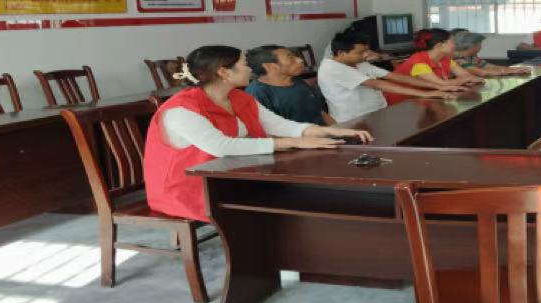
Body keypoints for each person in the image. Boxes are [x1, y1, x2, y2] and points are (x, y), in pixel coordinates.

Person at [144, 45, 373, 222]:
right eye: (244, 64)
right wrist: (293, 142)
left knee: (301, 191)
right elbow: (221, 147)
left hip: (230, 175)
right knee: (282, 195)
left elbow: (279, 125)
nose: (250, 69)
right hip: (190, 189)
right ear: (224, 72)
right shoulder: (181, 109)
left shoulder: (238, 97)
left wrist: (330, 131)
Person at [318, 31, 461, 122]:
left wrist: (439, 86)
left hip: (376, 114)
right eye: (361, 52)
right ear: (341, 53)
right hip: (353, 120)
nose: (366, 55)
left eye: (367, 51)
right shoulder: (332, 68)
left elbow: (395, 76)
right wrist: (426, 93)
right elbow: (378, 84)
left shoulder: (359, 63)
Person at [245, 45, 334, 126]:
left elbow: (321, 112)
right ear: (270, 67)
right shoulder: (257, 93)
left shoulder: (296, 81)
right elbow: (267, 130)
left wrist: (336, 129)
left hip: (323, 133)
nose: (300, 60)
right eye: (290, 58)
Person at [395, 28, 485, 87]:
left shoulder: (445, 58)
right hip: (403, 103)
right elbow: (441, 84)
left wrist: (467, 79)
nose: (456, 45)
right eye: (453, 42)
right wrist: (466, 80)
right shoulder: (419, 62)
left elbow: (466, 75)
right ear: (439, 45)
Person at [453, 31, 530, 77]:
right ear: (474, 46)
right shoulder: (457, 58)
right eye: (480, 44)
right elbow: (480, 72)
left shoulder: (472, 57)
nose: (481, 46)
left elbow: (491, 66)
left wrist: (515, 69)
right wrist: (511, 71)